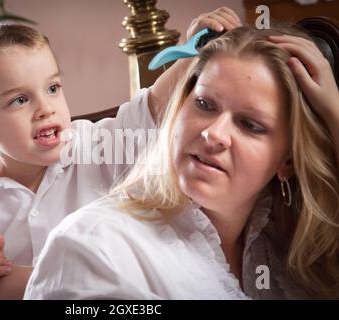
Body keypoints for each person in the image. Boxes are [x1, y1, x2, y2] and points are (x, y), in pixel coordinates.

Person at [0, 7, 243, 300]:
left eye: (53, 88)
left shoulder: (99, 147)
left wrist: (194, 49)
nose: (46, 109)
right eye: (19, 100)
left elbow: (153, 109)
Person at [24, 24, 339, 299]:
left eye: (250, 125)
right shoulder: (95, 248)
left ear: (287, 161)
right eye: (204, 104)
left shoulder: (291, 253)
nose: (214, 134)